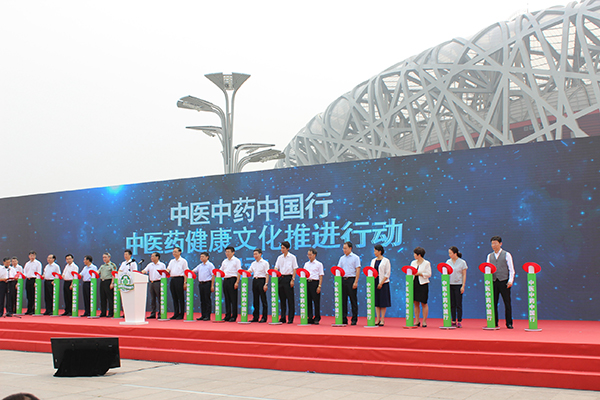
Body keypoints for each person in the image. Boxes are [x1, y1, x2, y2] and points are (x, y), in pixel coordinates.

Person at [487, 236, 515, 329]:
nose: (493, 245)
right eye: (492, 244)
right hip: (494, 281)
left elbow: (511, 269)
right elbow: (488, 269)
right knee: (493, 303)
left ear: (500, 244)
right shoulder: (489, 256)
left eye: (495, 243)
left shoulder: (507, 254)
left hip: (504, 281)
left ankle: (509, 323)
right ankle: (494, 322)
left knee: (507, 303)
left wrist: (510, 280)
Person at [274, 241, 298, 324]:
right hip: (281, 278)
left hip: (288, 278)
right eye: (281, 248)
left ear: (288, 248)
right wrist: (275, 273)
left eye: (283, 248)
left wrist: (293, 279)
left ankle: (290, 318)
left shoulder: (292, 257)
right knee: (282, 299)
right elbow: (276, 267)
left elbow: (295, 269)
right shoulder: (279, 257)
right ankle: (283, 317)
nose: (282, 249)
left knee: (290, 299)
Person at [338, 241, 361, 325]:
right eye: (343, 248)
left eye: (346, 248)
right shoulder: (341, 258)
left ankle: (354, 319)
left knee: (353, 300)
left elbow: (358, 270)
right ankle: (344, 318)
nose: (344, 250)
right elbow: (338, 269)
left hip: (351, 279)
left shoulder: (355, 258)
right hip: (343, 280)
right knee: (343, 300)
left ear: (350, 248)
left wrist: (356, 282)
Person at [447, 246, 468, 328]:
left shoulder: (462, 262)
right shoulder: (448, 262)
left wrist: (463, 285)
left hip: (458, 284)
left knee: (458, 303)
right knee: (452, 303)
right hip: (450, 284)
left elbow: (464, 274)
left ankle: (459, 321)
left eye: (450, 253)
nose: (449, 255)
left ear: (455, 253)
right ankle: (453, 320)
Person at [371, 244, 391, 326]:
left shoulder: (386, 261)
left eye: (375, 251)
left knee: (383, 301)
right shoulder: (373, 261)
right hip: (374, 282)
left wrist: (381, 283)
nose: (374, 252)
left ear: (380, 251)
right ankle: (377, 319)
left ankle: (382, 319)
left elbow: (387, 274)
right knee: (376, 302)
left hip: (383, 283)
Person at [247, 248, 269, 323]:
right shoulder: (253, 263)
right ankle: (255, 317)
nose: (255, 256)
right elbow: (250, 270)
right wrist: (245, 272)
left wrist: (266, 284)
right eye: (254, 254)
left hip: (262, 280)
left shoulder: (265, 263)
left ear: (260, 254)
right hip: (255, 281)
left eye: (256, 254)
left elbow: (267, 274)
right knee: (255, 300)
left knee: (263, 300)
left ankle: (264, 317)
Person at [220, 246, 241, 322]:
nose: (227, 253)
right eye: (226, 252)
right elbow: (221, 271)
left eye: (228, 252)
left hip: (232, 280)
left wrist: (237, 282)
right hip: (225, 280)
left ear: (233, 252)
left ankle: (234, 316)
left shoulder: (236, 261)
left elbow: (239, 271)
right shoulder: (224, 261)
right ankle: (227, 315)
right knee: (227, 299)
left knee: (233, 299)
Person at [192, 252, 214, 321]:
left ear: (207, 257)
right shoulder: (200, 265)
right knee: (202, 300)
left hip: (207, 283)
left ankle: (207, 316)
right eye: (200, 256)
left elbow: (213, 275)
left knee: (207, 300)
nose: (201, 258)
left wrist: (212, 285)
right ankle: (203, 315)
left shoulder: (210, 265)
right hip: (201, 284)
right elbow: (193, 271)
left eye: (203, 256)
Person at [142, 252, 165, 319]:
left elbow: (164, 274)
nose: (151, 258)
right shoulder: (150, 265)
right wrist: (142, 272)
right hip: (151, 283)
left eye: (153, 256)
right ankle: (153, 313)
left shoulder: (162, 265)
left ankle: (160, 313)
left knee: (160, 298)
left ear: (157, 257)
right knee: (152, 299)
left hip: (158, 282)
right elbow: (145, 270)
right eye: (151, 256)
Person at [166, 247, 188, 320]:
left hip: (180, 279)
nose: (174, 253)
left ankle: (181, 314)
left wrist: (185, 282)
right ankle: (176, 313)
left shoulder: (183, 261)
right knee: (174, 297)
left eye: (175, 252)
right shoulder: (172, 261)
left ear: (180, 252)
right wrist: (164, 272)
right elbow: (168, 269)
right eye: (173, 252)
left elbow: (186, 272)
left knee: (180, 297)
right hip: (172, 279)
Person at [411, 247, 431, 327]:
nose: (414, 255)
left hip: (423, 284)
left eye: (415, 254)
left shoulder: (426, 263)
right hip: (414, 283)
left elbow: (429, 274)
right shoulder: (413, 263)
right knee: (415, 303)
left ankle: (424, 321)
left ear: (419, 255)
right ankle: (417, 321)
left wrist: (419, 274)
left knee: (424, 303)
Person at [304, 248, 324, 325]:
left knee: (316, 301)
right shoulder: (306, 264)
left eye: (310, 255)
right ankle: (310, 317)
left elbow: (321, 275)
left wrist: (319, 286)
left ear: (314, 255)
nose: (309, 256)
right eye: (308, 255)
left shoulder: (319, 264)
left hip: (315, 283)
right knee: (308, 301)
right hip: (307, 282)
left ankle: (317, 317)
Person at [98, 252, 117, 317]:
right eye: (103, 257)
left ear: (109, 257)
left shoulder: (112, 265)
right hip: (102, 282)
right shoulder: (102, 266)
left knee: (110, 298)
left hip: (108, 282)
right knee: (102, 298)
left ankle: (111, 313)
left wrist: (112, 283)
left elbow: (114, 274)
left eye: (105, 257)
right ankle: (103, 312)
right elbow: (98, 272)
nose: (104, 259)